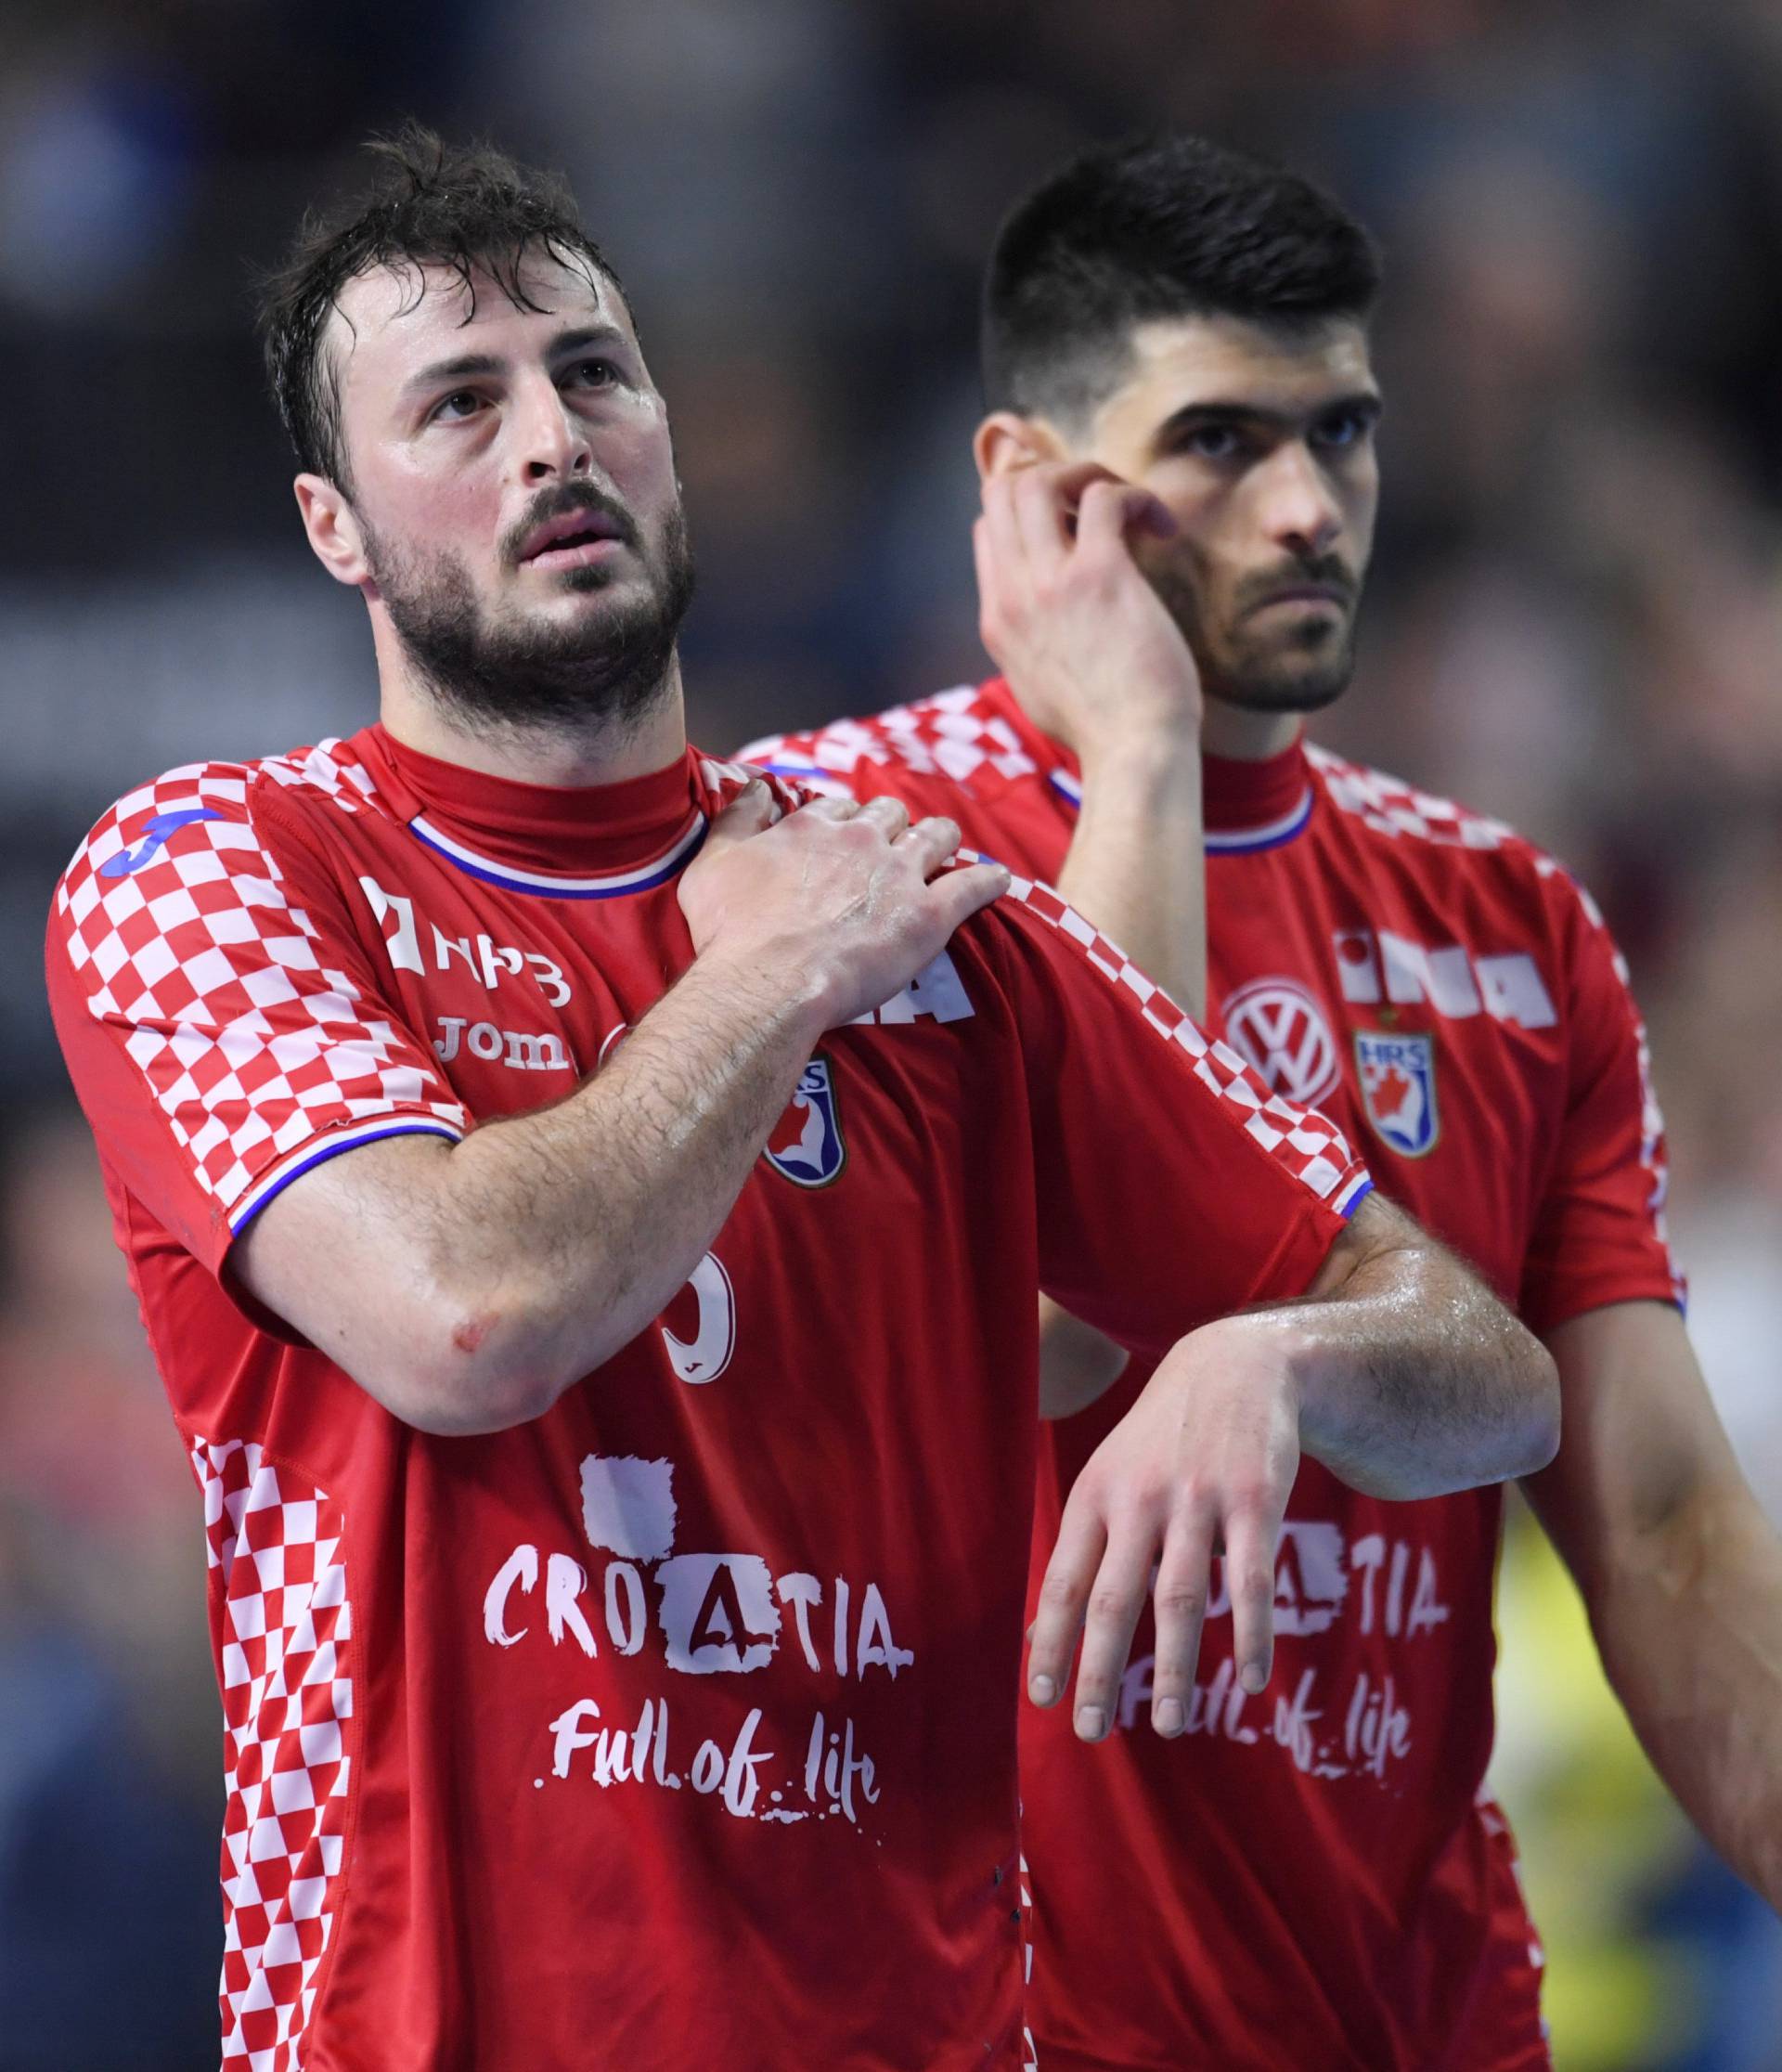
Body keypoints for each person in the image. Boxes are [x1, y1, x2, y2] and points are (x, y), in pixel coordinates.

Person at [42, 129, 1557, 2072]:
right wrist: (768, 973)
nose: (550, 441)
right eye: (459, 402)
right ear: (335, 525)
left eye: (595, 375)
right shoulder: (216, 871)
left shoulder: (920, 919)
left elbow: (1488, 1374)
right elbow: (464, 1312)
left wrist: (1273, 1365)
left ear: (671, 432)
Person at [743, 131, 1782, 2071]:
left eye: (1348, 432)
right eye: (1223, 441)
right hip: (990, 2021)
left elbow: (1652, 1516)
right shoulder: (829, 852)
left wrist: (1288, 1358)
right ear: (1029, 486)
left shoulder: (1511, 923)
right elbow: (1049, 1325)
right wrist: (1137, 760)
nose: (1311, 506)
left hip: (1422, 2016)